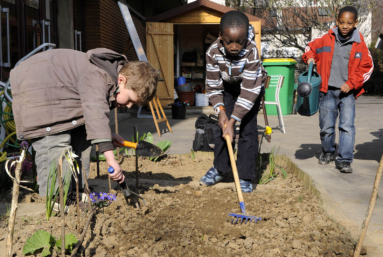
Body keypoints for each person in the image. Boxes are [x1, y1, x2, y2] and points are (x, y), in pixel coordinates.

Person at [10, 48, 158, 196]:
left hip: (57, 94)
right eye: (131, 100)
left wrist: (106, 135)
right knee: (56, 141)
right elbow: (96, 114)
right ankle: (56, 199)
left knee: (82, 135)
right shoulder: (98, 76)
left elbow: (92, 115)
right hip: (39, 91)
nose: (130, 106)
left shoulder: (107, 76)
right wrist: (111, 160)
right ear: (122, 80)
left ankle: (76, 190)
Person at [200, 11, 267, 192]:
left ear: (246, 37)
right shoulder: (212, 52)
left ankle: (245, 176)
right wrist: (222, 112)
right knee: (222, 129)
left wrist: (234, 120)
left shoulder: (252, 51)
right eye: (230, 42)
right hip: (227, 89)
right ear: (221, 36)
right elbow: (213, 86)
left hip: (249, 89)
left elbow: (249, 91)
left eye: (240, 41)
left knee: (248, 131)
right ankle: (220, 169)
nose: (235, 47)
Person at [302, 6, 374, 173]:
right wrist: (310, 57)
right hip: (326, 92)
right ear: (337, 21)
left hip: (347, 93)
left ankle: (345, 159)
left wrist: (352, 83)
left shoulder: (360, 44)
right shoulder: (326, 38)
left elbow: (367, 68)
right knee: (326, 127)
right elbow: (309, 48)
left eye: (349, 23)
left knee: (347, 126)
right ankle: (328, 151)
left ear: (356, 22)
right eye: (341, 22)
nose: (345, 26)